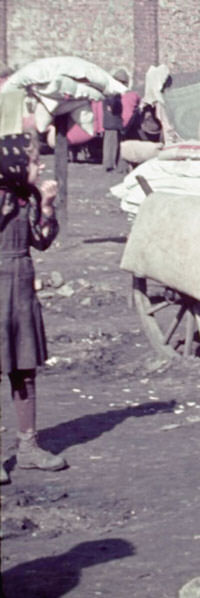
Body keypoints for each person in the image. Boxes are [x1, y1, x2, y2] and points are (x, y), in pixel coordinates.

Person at [0, 129, 65, 484]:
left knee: (24, 369)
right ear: (13, 164)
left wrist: (46, 206)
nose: (40, 167)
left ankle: (28, 448)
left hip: (21, 284)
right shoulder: (2, 199)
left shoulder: (26, 198)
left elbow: (41, 241)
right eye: (34, 162)